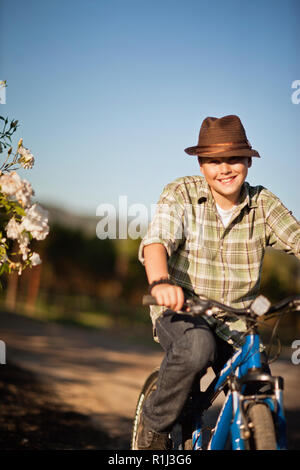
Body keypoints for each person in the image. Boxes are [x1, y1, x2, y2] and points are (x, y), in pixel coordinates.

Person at [136, 114, 300, 450]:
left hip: (238, 319)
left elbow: (297, 238)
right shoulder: (181, 193)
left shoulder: (264, 204)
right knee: (197, 347)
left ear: (248, 162)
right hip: (184, 310)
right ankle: (153, 429)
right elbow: (157, 241)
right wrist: (161, 282)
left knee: (261, 386)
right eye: (213, 160)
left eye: (233, 159)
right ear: (201, 164)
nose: (224, 169)